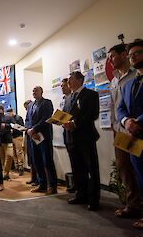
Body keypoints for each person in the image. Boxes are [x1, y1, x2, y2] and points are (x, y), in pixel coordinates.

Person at [108, 43, 141, 218]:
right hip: (120, 130)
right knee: (124, 168)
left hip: (137, 129)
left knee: (139, 168)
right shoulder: (114, 80)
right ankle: (133, 204)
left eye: (112, 56)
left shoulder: (136, 74)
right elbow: (115, 106)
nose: (110, 60)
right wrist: (116, 125)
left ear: (123, 55)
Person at [63, 71, 100, 211]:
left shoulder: (90, 94)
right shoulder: (69, 97)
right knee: (77, 168)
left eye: (71, 79)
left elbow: (92, 114)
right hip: (71, 138)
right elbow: (68, 115)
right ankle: (81, 194)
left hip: (85, 137)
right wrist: (63, 121)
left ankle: (93, 199)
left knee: (91, 169)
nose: (69, 82)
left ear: (79, 80)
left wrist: (75, 123)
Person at [117, 39, 143, 229]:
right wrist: (126, 121)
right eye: (132, 54)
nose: (134, 57)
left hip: (140, 130)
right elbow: (120, 109)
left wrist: (138, 122)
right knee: (139, 175)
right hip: (132, 136)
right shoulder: (128, 85)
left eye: (138, 53)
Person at [26, 86, 57, 194]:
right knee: (37, 161)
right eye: (33, 90)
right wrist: (30, 130)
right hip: (33, 138)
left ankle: (52, 186)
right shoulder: (30, 105)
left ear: (41, 92)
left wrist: (34, 129)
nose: (34, 92)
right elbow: (27, 120)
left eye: (36, 90)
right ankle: (42, 185)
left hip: (44, 137)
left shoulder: (47, 103)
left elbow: (46, 119)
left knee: (47, 161)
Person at [60, 78, 75, 193]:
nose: (62, 87)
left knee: (80, 163)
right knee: (73, 161)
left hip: (76, 133)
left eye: (64, 85)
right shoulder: (63, 100)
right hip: (67, 133)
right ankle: (75, 184)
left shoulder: (74, 98)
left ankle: (79, 186)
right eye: (61, 86)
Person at [0, 105, 15, 181]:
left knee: (10, 156)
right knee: (2, 159)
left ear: (3, 110)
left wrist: (6, 125)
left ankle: (5, 172)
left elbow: (14, 125)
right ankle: (5, 174)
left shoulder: (9, 117)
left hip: (8, 140)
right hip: (0, 141)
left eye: (0, 110)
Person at [24, 100, 38, 186]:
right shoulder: (29, 112)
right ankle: (33, 178)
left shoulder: (37, 108)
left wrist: (31, 129)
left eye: (26, 107)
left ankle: (38, 179)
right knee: (31, 159)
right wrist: (26, 128)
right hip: (29, 135)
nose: (26, 109)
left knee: (36, 159)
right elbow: (27, 121)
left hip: (36, 135)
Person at [7, 108, 25, 176]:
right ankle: (16, 166)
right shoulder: (10, 119)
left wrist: (14, 129)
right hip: (12, 137)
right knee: (14, 152)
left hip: (18, 136)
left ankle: (21, 168)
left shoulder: (18, 118)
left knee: (19, 152)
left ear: (12, 112)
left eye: (9, 113)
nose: (9, 115)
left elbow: (21, 127)